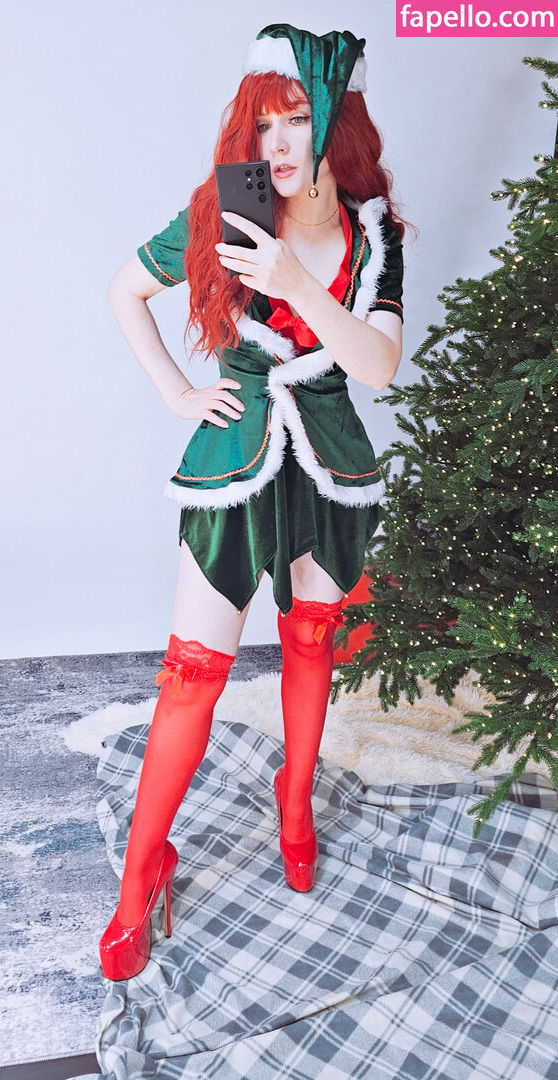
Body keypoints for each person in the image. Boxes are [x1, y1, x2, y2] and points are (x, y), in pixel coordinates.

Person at [99, 23, 407, 981]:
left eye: (297, 118)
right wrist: (177, 393)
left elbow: (378, 367)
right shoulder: (223, 206)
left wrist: (296, 284)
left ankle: (296, 799)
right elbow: (124, 291)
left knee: (311, 644)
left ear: (335, 118)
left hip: (330, 464)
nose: (276, 144)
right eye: (262, 122)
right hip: (234, 461)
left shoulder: (374, 231)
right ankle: (141, 876)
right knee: (193, 674)